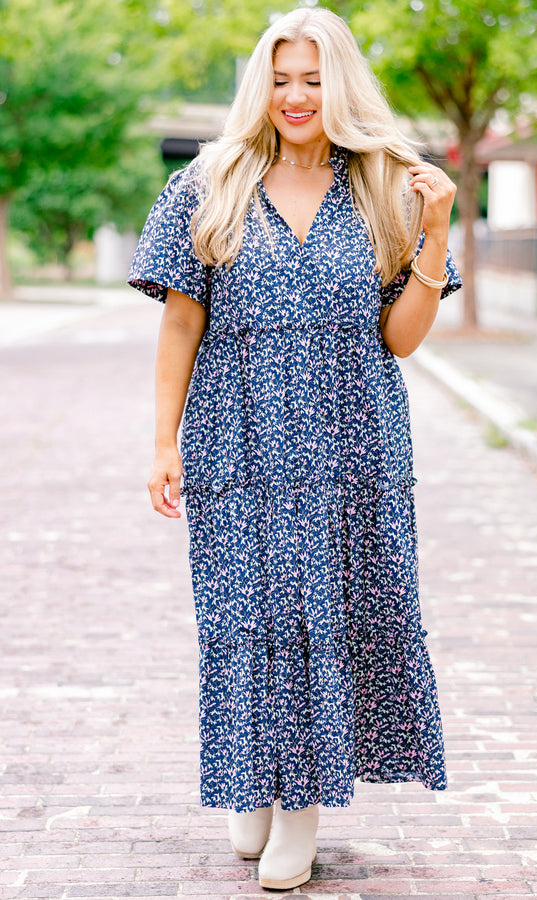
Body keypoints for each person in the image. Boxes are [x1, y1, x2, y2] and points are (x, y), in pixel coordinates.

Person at [128, 6, 461, 891]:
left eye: (313, 78)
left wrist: (434, 232)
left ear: (340, 83)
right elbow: (181, 320)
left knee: (325, 617)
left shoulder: (385, 186)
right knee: (250, 616)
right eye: (281, 79)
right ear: (259, 86)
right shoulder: (211, 181)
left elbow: (403, 337)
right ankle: (256, 783)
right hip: (236, 438)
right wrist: (162, 441)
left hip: (352, 445)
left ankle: (301, 809)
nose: (296, 96)